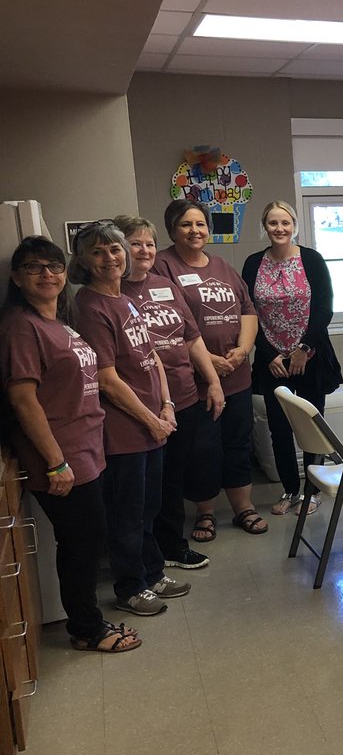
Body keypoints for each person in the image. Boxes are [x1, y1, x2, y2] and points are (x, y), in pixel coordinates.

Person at [0, 237, 141, 651]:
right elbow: (23, 399)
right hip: (61, 457)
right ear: (16, 277)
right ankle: (86, 628)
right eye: (34, 268)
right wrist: (56, 461)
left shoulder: (56, 321)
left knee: (88, 539)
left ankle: (87, 618)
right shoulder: (20, 327)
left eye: (54, 266)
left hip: (84, 449)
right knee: (81, 544)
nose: (47, 275)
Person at [70, 221, 190, 616]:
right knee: (127, 514)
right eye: (98, 252)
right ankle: (130, 587)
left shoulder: (125, 299)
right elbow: (106, 378)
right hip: (125, 432)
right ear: (83, 261)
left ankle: (153, 572)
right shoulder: (89, 306)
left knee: (149, 508)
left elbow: (151, 356)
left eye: (115, 250)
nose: (110, 258)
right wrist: (151, 420)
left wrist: (167, 406)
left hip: (153, 424)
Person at [115, 215, 224, 570]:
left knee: (174, 478)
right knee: (147, 489)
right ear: (119, 250)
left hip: (185, 397)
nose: (144, 250)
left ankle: (172, 546)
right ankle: (149, 557)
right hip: (143, 405)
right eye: (135, 243)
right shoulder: (112, 294)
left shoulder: (165, 283)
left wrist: (213, 381)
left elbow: (191, 337)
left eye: (149, 243)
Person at [154, 199, 265, 538]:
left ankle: (242, 507)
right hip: (195, 382)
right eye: (186, 224)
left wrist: (242, 352)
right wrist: (208, 363)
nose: (194, 231)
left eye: (200, 224)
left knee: (238, 443)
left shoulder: (222, 266)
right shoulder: (162, 267)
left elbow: (248, 310)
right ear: (172, 229)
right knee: (202, 449)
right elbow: (166, 327)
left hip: (236, 376)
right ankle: (205, 512)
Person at [241, 200, 342, 516]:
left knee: (312, 425)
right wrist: (269, 352)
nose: (279, 228)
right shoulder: (253, 263)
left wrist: (303, 350)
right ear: (265, 227)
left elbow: (324, 309)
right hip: (271, 359)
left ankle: (313, 491)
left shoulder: (311, 259)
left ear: (294, 225)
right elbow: (249, 312)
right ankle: (290, 489)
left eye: (285, 222)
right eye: (273, 223)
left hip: (310, 356)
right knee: (279, 428)